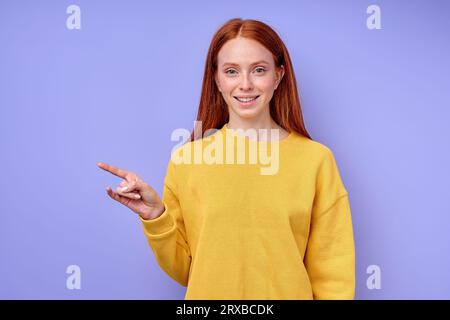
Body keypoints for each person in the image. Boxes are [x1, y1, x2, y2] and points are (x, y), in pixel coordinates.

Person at [97, 18, 355, 300]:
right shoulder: (187, 161)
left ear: (279, 76)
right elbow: (185, 271)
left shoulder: (315, 160)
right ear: (217, 79)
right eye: (232, 71)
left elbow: (333, 274)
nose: (245, 84)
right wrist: (155, 216)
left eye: (259, 70)